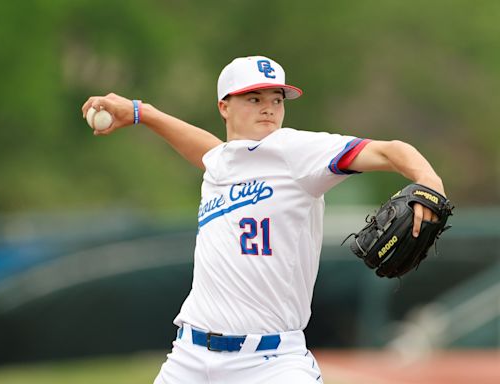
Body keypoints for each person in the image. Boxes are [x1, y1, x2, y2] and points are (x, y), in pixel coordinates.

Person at [82, 55, 446, 384]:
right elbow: (210, 153)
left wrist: (429, 183)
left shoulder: (296, 150)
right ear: (224, 107)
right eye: (254, 99)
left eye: (276, 99)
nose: (269, 108)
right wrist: (140, 112)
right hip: (189, 356)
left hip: (269, 362)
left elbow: (389, 150)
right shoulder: (223, 163)